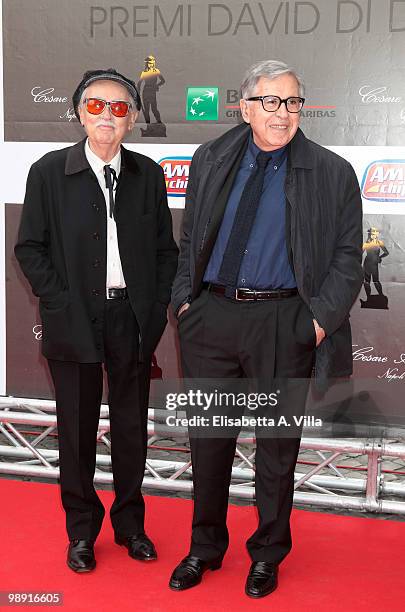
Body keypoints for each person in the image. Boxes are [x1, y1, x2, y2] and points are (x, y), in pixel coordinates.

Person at [170, 60, 363, 598]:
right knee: (208, 442)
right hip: (211, 318)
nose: (284, 114)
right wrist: (185, 303)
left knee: (278, 450)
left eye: (293, 102)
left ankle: (267, 554)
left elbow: (349, 258)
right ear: (246, 105)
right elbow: (191, 240)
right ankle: (204, 549)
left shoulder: (331, 171)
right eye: (272, 102)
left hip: (285, 323)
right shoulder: (211, 158)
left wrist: (319, 321)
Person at [15, 68, 178, 573]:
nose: (107, 115)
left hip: (131, 317)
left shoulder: (148, 174)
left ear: (131, 118)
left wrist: (152, 310)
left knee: (131, 428)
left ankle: (132, 527)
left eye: (120, 107)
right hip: (73, 318)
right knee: (78, 430)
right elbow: (30, 248)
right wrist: (60, 301)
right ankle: (81, 532)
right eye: (96, 106)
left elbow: (164, 252)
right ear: (79, 113)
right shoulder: (48, 171)